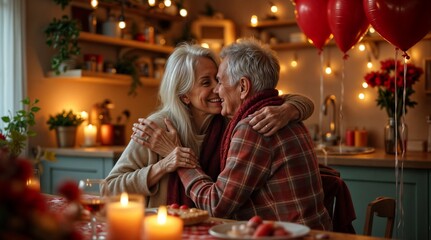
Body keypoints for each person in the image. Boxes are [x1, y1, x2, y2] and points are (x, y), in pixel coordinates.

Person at [105, 43, 314, 209]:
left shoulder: (231, 119)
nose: (218, 90)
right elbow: (109, 188)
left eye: (218, 80)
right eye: (206, 83)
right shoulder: (157, 129)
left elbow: (276, 97)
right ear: (184, 95)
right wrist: (164, 166)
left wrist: (289, 109)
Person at [158, 39, 331, 230]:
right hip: (314, 230)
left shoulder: (253, 127)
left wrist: (180, 159)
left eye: (220, 81)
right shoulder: (282, 113)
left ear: (243, 87)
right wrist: (293, 107)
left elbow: (216, 205)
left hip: (287, 236)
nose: (216, 89)